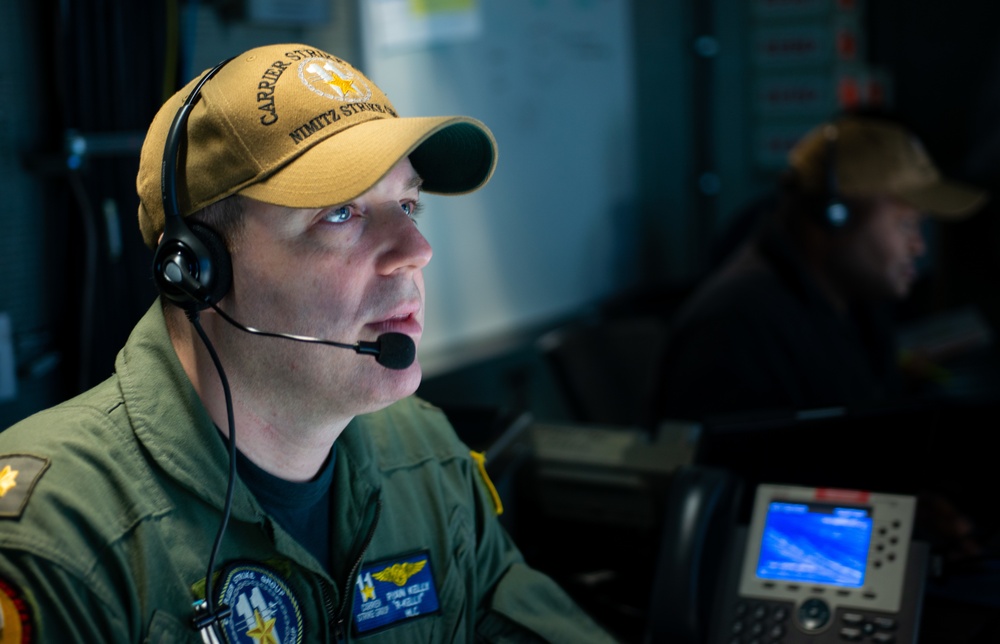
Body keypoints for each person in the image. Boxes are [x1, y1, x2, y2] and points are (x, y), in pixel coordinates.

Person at [0, 43, 616, 643]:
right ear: (198, 270)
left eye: (407, 203)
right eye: (342, 213)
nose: (416, 251)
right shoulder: (56, 535)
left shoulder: (426, 456)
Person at [653, 114, 989, 422]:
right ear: (835, 217)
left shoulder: (849, 304)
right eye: (905, 224)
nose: (919, 246)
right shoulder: (735, 328)